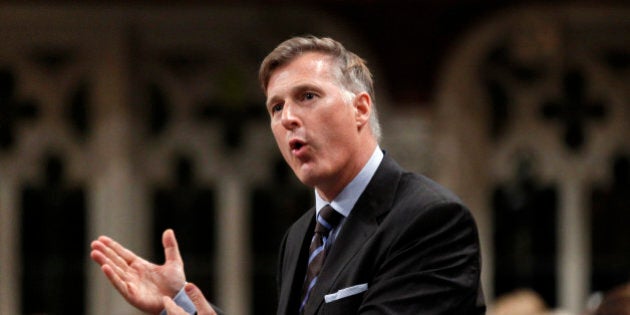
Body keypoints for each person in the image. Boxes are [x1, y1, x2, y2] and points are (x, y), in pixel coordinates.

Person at [91, 35, 486, 315]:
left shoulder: (429, 220)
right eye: (275, 108)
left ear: (361, 108)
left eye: (307, 96)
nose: (288, 118)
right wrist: (183, 305)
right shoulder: (301, 237)